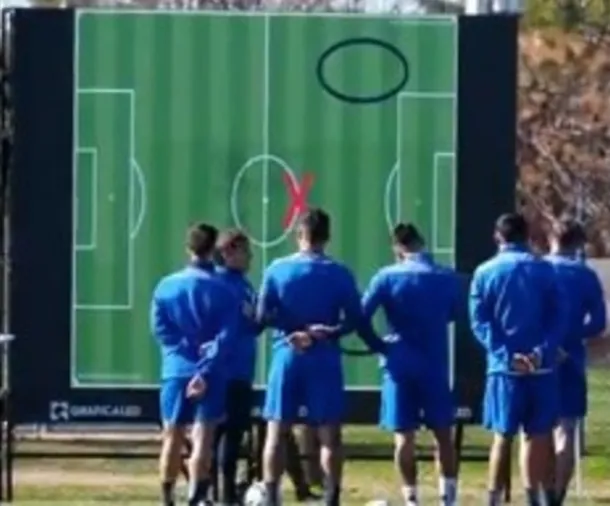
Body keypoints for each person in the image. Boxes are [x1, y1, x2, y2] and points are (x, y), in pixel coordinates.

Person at [257, 207, 385, 506]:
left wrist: (293, 331)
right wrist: (329, 332)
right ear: (327, 237)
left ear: (298, 235)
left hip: (288, 354)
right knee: (329, 434)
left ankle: (272, 496)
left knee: (277, 430)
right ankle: (331, 498)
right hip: (323, 356)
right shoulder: (338, 273)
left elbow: (262, 316)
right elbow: (356, 319)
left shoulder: (277, 269)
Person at [469, 213, 568, 506]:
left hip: (504, 370)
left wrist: (506, 355)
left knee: (502, 436)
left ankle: (494, 499)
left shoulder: (484, 272)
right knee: (536, 435)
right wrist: (541, 352)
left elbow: (480, 322)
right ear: (527, 235)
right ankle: (532, 498)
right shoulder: (545, 270)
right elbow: (558, 318)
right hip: (541, 369)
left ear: (498, 237)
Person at [361, 223, 460, 506]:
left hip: (399, 363)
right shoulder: (445, 276)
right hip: (433, 364)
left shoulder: (386, 277)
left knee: (404, 437)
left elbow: (361, 316)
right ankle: (448, 498)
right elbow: (454, 312)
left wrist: (378, 345)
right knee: (443, 435)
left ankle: (411, 499)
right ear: (421, 242)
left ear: (397, 248)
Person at [151, 222, 240, 506]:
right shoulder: (224, 290)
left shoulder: (166, 286)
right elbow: (227, 336)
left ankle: (167, 497)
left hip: (176, 370)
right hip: (211, 372)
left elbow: (161, 330)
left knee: (172, 435)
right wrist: (203, 367)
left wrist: (184, 355)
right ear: (213, 249)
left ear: (188, 248)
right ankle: (195, 498)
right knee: (203, 436)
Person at [545, 218, 606, 505]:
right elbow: (598, 322)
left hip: (540, 356)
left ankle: (540, 492)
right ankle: (557, 497)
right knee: (566, 429)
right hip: (571, 358)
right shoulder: (584, 275)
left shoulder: (537, 270)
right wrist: (574, 335)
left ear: (551, 239)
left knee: (538, 429)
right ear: (578, 243)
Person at [212, 229, 263, 504]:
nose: (250, 257)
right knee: (221, 436)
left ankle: (225, 493)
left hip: (241, 372)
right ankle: (220, 495)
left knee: (233, 435)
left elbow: (251, 324)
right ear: (228, 252)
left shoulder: (243, 284)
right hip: (223, 373)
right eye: (245, 251)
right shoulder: (217, 284)